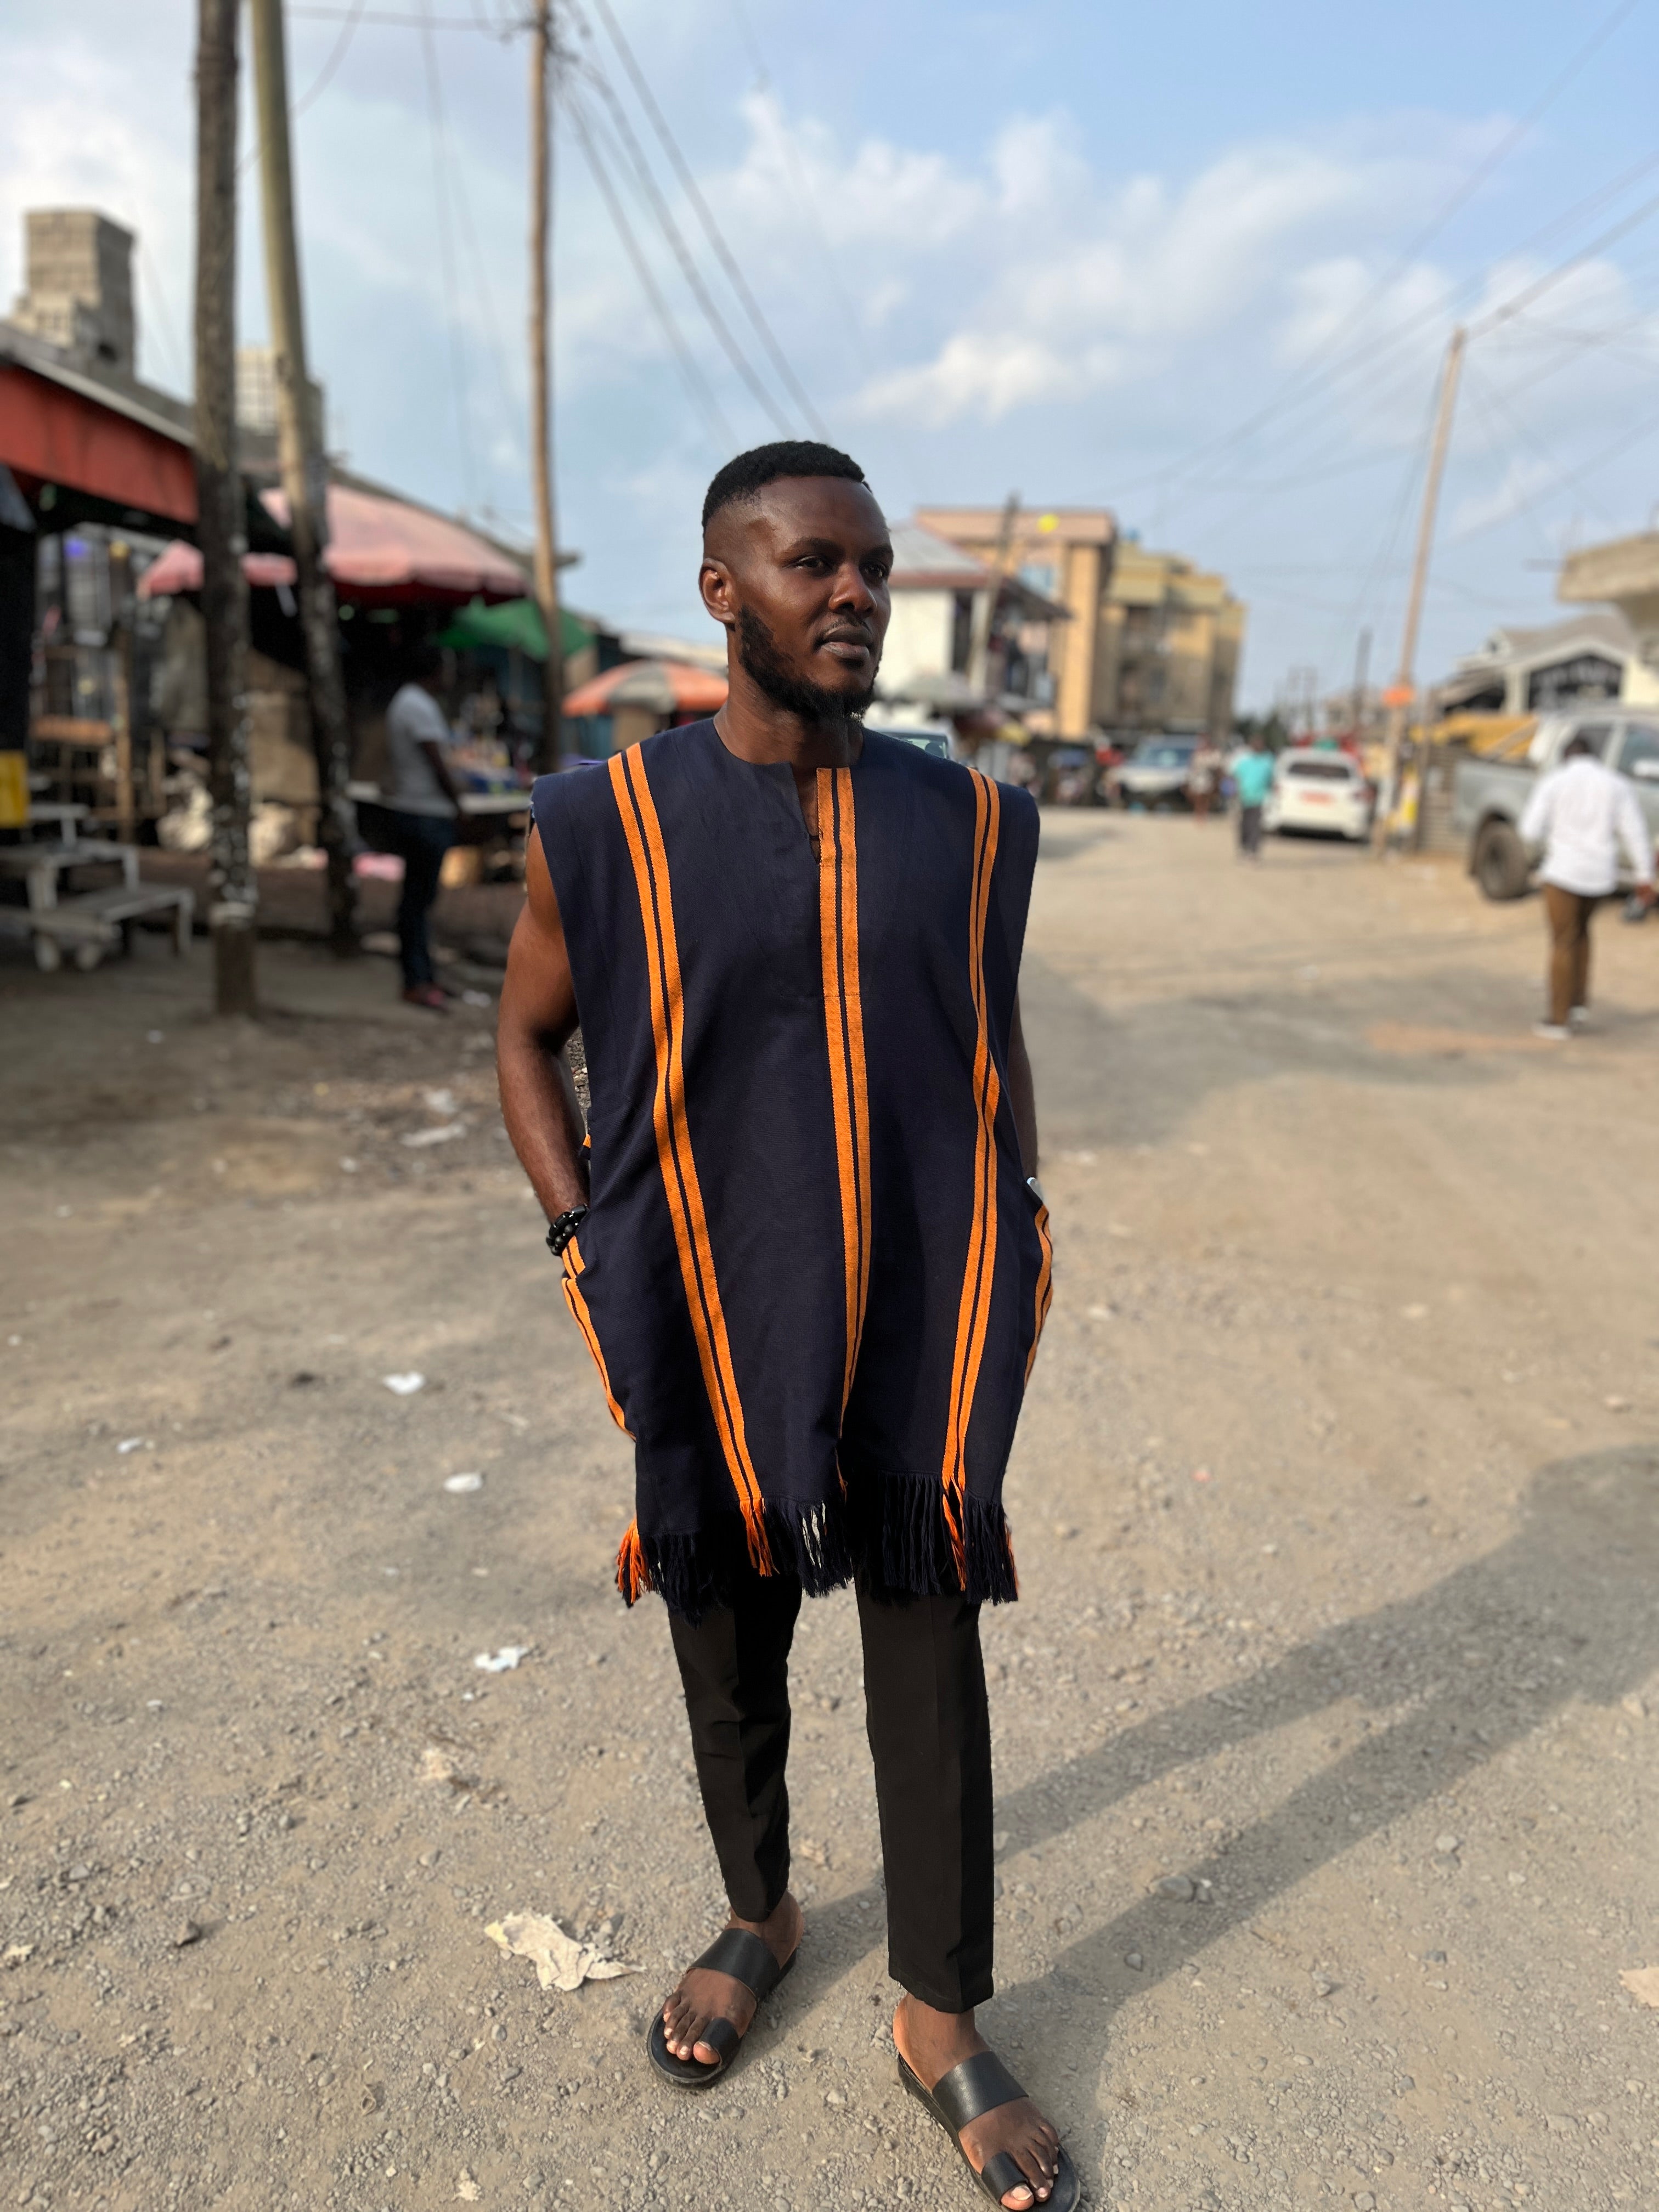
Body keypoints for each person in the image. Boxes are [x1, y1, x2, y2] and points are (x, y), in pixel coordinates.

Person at [496, 441, 1075, 2212]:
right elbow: (524, 1037)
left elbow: (992, 1039)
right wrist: (580, 1233)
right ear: (720, 591)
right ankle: (760, 1908)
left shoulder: (972, 821)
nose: (856, 595)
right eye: (815, 562)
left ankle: (937, 2007)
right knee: (722, 1628)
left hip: (916, 1293)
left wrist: (1019, 1216)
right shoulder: (602, 822)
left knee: (926, 1636)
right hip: (705, 1290)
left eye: (874, 568)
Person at [1519, 731, 1655, 1038]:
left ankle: (1558, 1020)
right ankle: (1578, 1004)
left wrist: (1551, 845)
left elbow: (1529, 829)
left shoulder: (1554, 782)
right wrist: (1644, 876)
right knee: (1582, 934)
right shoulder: (1616, 784)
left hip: (1563, 873)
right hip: (1599, 875)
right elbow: (1635, 831)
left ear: (1566, 755)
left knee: (1563, 941)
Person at [358, 641, 467, 1010]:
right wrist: (459, 803)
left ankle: (425, 974)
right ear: (435, 670)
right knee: (417, 901)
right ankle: (416, 980)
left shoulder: (413, 702)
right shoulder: (416, 706)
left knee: (421, 900)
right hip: (423, 812)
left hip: (421, 809)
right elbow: (436, 762)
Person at [1230, 729, 1274, 856]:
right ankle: (1244, 847)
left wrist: (1271, 796)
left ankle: (1254, 850)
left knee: (1256, 825)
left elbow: (1272, 778)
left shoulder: (1268, 760)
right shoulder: (1244, 759)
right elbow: (1235, 776)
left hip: (1260, 798)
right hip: (1243, 796)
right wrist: (1235, 792)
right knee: (1244, 824)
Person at [1187, 733, 1223, 820]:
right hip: (1199, 776)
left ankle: (1204, 813)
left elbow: (1218, 764)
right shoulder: (1197, 752)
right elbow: (1193, 765)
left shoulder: (1215, 752)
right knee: (1198, 795)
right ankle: (1198, 813)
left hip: (1210, 777)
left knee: (1207, 796)